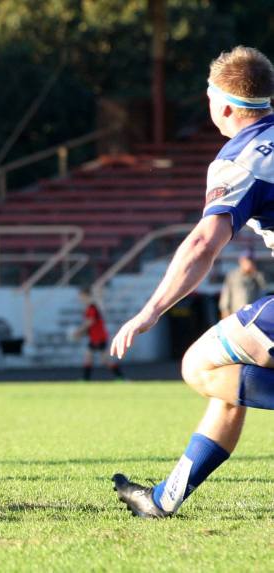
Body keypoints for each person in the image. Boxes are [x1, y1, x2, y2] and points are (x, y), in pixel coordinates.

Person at [110, 46, 274, 518]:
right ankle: (164, 499)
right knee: (230, 384)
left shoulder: (241, 157)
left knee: (198, 366)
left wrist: (150, 310)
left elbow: (204, 242)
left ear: (222, 105)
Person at [71, 288, 124, 381]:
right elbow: (91, 325)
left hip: (99, 337)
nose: (80, 299)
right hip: (94, 337)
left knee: (105, 360)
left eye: (81, 297)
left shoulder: (92, 307)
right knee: (89, 357)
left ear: (86, 296)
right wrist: (81, 333)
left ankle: (120, 377)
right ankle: (86, 379)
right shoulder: (90, 307)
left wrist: (78, 331)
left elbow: (90, 322)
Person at [218, 249, 266, 318]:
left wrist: (256, 274)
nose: (249, 263)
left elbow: (263, 292)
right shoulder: (232, 275)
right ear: (241, 261)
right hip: (236, 314)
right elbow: (226, 294)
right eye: (247, 261)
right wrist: (225, 310)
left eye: (252, 261)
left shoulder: (257, 276)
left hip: (253, 315)